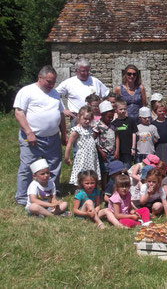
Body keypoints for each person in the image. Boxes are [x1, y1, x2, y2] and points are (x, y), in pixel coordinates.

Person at [14, 65, 67, 205]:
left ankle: (51, 192)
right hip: (32, 137)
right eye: (48, 81)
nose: (51, 84)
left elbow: (61, 114)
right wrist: (29, 132)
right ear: (40, 78)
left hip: (53, 137)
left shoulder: (55, 93)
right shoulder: (27, 91)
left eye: (53, 82)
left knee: (54, 166)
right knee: (27, 167)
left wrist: (63, 134)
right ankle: (22, 198)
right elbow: (19, 113)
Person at [56, 58, 109, 127]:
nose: (86, 73)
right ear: (76, 70)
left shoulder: (95, 81)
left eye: (88, 70)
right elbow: (55, 94)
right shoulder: (69, 83)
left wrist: (104, 110)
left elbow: (107, 94)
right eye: (83, 71)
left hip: (94, 119)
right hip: (77, 118)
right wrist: (63, 109)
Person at [65, 106, 101, 186]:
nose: (87, 121)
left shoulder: (90, 128)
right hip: (83, 157)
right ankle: (79, 192)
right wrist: (66, 157)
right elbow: (69, 144)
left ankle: (91, 190)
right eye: (85, 118)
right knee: (81, 175)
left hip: (91, 156)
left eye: (89, 119)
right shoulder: (76, 130)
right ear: (79, 117)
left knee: (91, 174)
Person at [93, 100, 119, 191]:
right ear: (102, 115)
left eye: (111, 117)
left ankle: (111, 188)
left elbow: (116, 138)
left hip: (112, 152)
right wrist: (100, 151)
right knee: (105, 172)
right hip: (104, 153)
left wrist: (117, 150)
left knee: (113, 171)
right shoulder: (98, 126)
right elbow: (94, 140)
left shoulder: (113, 126)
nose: (110, 119)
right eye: (108, 117)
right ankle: (104, 190)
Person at [113, 99, 138, 169]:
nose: (123, 111)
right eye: (120, 109)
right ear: (116, 110)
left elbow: (134, 133)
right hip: (118, 149)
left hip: (128, 149)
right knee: (118, 168)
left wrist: (133, 147)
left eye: (124, 109)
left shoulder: (131, 120)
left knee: (127, 168)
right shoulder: (114, 123)